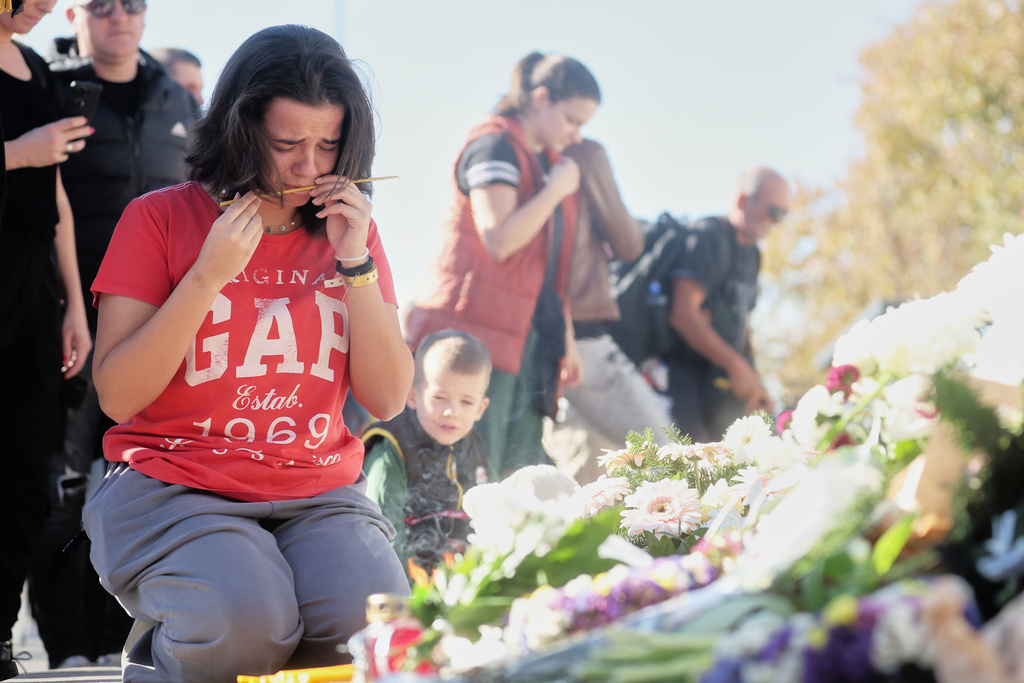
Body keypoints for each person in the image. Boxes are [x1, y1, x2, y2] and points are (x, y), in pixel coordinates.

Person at [80, 24, 413, 683]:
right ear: (240, 129)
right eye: (287, 143)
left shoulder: (353, 234)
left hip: (317, 491)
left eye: (328, 144)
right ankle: (159, 660)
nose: (309, 166)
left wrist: (356, 261)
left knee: (381, 631)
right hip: (175, 485)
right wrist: (207, 276)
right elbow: (117, 395)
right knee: (244, 624)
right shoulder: (158, 217)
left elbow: (389, 396)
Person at [29, 0, 200, 668]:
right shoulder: (47, 85)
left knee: (140, 479)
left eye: (131, 4)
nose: (118, 17)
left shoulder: (177, 99)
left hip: (160, 332)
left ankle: (114, 643)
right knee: (65, 486)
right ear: (76, 13)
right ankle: (68, 648)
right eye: (102, 6)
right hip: (66, 319)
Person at [405, 52, 599, 479]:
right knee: (463, 476)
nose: (576, 135)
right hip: (467, 336)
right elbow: (500, 238)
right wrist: (555, 190)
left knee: (511, 473)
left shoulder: (545, 162)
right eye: (572, 120)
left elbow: (547, 267)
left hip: (521, 340)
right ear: (541, 98)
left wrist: (564, 337)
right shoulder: (494, 144)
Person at [0, 0, 93, 678]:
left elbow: (54, 192)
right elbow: (31, 159)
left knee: (29, 469)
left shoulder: (34, 65)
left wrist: (75, 305)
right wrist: (15, 154)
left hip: (34, 292)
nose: (49, 8)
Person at [545, 138, 674, 485]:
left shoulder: (519, 154)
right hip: (583, 335)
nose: (573, 131)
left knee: (587, 477)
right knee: (669, 456)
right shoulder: (583, 154)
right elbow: (629, 243)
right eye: (574, 119)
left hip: (535, 336)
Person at [664, 166, 790, 443]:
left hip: (723, 394)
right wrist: (736, 366)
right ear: (743, 201)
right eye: (774, 211)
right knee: (692, 473)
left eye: (784, 214)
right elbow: (683, 313)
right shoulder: (709, 236)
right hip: (685, 386)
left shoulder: (754, 255)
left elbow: (743, 325)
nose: (777, 221)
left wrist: (754, 380)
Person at [362, 329, 491, 575]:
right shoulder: (392, 447)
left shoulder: (474, 446)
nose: (451, 411)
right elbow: (379, 536)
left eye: (466, 402)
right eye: (440, 397)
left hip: (460, 579)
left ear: (480, 409)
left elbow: (490, 517)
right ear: (412, 396)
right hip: (403, 579)